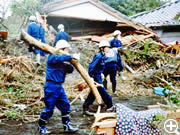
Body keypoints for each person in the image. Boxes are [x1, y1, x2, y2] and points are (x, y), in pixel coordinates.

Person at [38, 40, 79, 134]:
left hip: (59, 87)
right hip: (51, 86)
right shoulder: (52, 57)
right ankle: (41, 127)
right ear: (62, 49)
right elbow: (59, 58)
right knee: (49, 109)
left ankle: (67, 126)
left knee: (65, 105)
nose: (68, 51)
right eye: (67, 49)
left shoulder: (63, 60)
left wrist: (69, 63)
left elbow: (70, 70)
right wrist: (71, 56)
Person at [83, 40, 113, 115]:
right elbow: (91, 67)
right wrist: (91, 77)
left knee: (94, 93)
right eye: (107, 47)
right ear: (102, 48)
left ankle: (86, 107)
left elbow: (100, 67)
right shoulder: (98, 56)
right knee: (103, 91)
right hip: (95, 77)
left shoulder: (103, 56)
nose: (108, 49)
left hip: (99, 75)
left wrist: (101, 73)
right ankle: (110, 105)